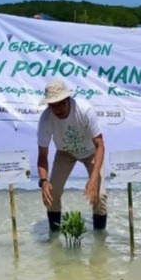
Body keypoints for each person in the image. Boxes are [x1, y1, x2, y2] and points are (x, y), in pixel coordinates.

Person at [37, 79, 107, 232]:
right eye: (52, 105)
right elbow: (43, 155)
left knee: (99, 195)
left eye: (61, 103)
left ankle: (100, 241)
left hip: (91, 152)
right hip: (64, 153)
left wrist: (93, 178)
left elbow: (100, 145)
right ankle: (54, 239)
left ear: (68, 99)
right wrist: (43, 181)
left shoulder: (84, 110)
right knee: (52, 193)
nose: (57, 109)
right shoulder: (45, 119)